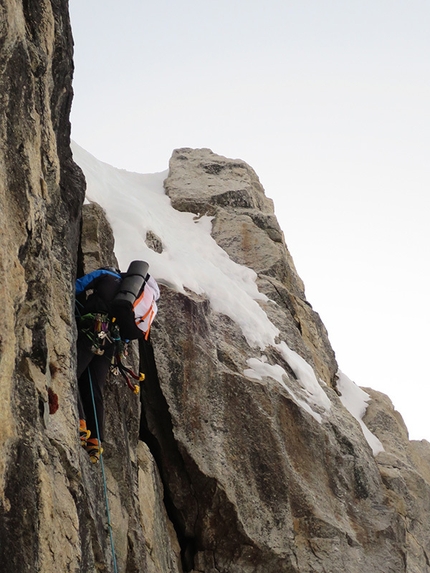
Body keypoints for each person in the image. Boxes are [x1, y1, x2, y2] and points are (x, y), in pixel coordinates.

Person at [75, 263, 160, 463]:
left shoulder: (105, 275)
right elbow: (129, 334)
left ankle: (79, 423)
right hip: (111, 343)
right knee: (95, 387)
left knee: (73, 374)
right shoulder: (132, 299)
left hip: (91, 331)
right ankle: (95, 440)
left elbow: (77, 286)